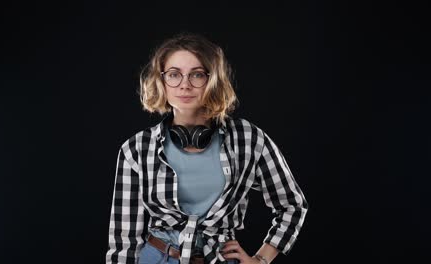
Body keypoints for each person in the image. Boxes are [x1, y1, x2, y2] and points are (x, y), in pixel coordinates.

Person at [105, 33, 308, 264]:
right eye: (174, 74)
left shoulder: (248, 138)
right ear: (161, 81)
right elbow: (123, 238)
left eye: (197, 74)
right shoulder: (136, 148)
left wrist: (261, 259)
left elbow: (292, 205)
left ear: (213, 80)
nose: (185, 84)